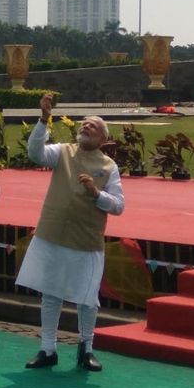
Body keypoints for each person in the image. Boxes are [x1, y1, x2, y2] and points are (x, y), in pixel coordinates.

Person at [17, 93, 124, 372]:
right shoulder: (62, 152)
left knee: (87, 298)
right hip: (53, 233)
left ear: (103, 140)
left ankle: (86, 348)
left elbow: (118, 207)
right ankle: (48, 348)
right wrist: (44, 119)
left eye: (94, 126)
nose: (86, 127)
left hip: (86, 240)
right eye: (84, 124)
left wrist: (96, 193)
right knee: (51, 294)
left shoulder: (109, 167)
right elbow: (35, 153)